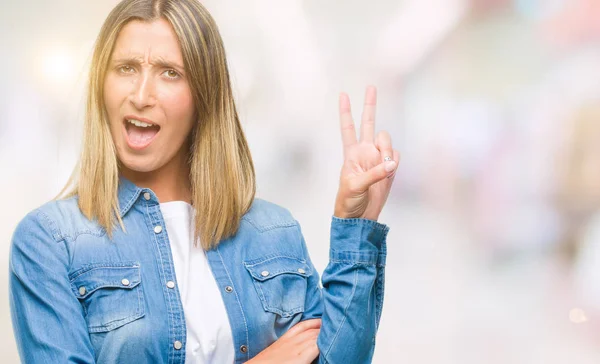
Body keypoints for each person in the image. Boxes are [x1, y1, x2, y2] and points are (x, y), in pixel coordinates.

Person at [8, 0, 399, 363]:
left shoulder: (274, 231)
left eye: (169, 73)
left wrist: (356, 227)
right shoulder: (50, 242)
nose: (141, 95)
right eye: (126, 68)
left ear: (204, 96)